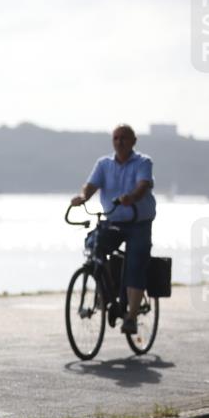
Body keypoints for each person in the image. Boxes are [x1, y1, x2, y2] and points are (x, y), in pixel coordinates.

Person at [70, 124, 155, 334]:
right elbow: (91, 185)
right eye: (116, 138)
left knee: (135, 264)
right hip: (113, 221)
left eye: (124, 138)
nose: (119, 142)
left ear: (134, 141)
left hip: (138, 222)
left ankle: (131, 317)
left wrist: (132, 197)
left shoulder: (143, 162)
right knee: (94, 246)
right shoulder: (104, 163)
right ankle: (107, 292)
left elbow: (143, 185)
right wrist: (83, 197)